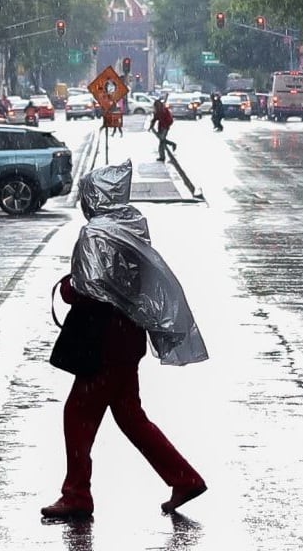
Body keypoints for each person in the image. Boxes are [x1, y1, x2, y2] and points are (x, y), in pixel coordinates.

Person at [42, 162, 207, 520]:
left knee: (78, 414)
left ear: (95, 197)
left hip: (101, 340)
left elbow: (90, 290)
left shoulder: (95, 233)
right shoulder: (132, 227)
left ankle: (76, 494)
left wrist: (68, 287)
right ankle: (184, 478)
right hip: (128, 336)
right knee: (130, 416)